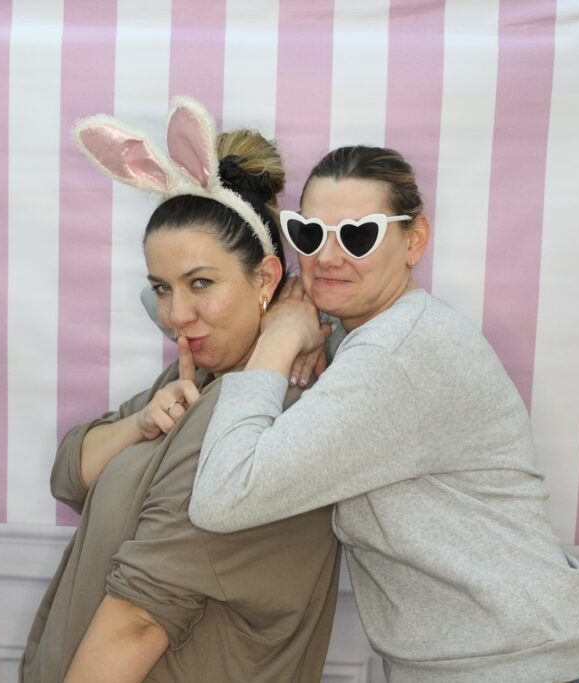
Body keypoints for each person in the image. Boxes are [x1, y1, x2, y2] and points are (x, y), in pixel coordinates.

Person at [189, 145, 579, 683]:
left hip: (511, 668)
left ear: (414, 241)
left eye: (358, 236)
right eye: (310, 235)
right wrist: (305, 314)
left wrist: (277, 341)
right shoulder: (370, 333)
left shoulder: (396, 354)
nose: (328, 257)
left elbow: (225, 495)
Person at [19, 98, 341, 683]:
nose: (176, 316)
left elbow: (140, 621)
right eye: (162, 288)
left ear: (266, 278)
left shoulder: (262, 420)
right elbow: (69, 474)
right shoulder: (193, 378)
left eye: (201, 283)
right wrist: (140, 424)